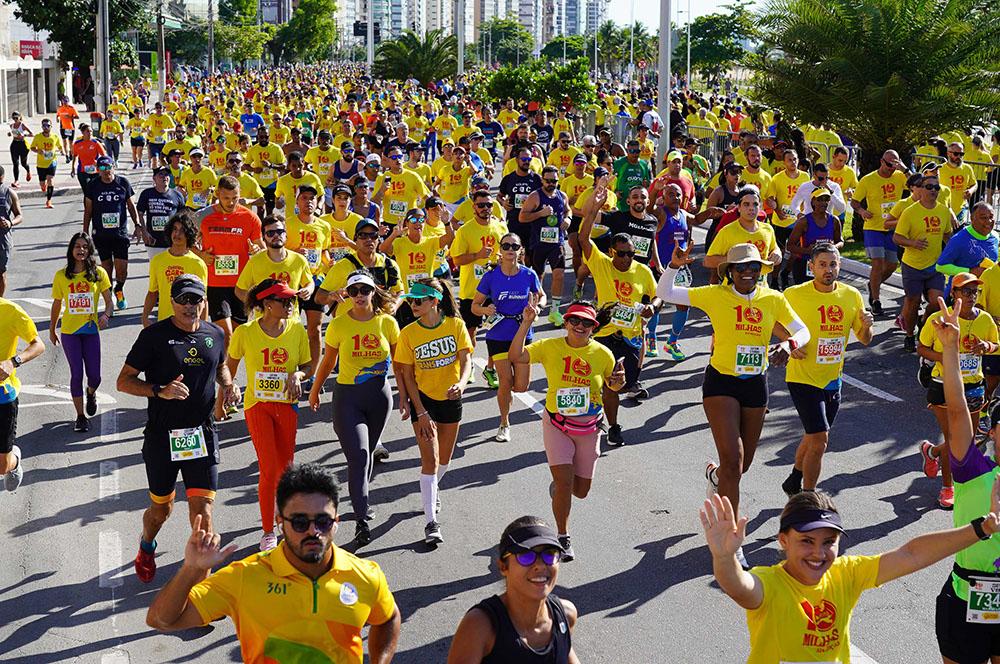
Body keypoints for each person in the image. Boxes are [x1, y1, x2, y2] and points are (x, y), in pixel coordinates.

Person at [700, 482, 1000, 663]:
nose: (818, 553)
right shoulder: (770, 582)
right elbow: (738, 585)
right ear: (783, 541)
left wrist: (982, 528)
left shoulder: (845, 573)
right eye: (806, 541)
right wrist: (724, 557)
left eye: (829, 542)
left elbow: (911, 554)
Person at [146, 463, 401, 663]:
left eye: (322, 522)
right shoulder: (245, 577)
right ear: (280, 522)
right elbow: (161, 620)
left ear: (337, 522)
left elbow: (388, 618)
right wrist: (191, 569)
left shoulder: (365, 575)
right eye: (300, 522)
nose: (313, 532)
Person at [659, 242, 809, 568]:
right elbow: (666, 291)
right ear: (730, 271)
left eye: (754, 268)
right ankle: (731, 538)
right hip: (721, 383)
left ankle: (717, 479)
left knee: (740, 467)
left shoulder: (773, 298)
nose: (748, 273)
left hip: (756, 384)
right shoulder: (715, 295)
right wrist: (673, 264)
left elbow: (803, 330)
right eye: (741, 268)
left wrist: (789, 344)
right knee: (734, 459)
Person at [117, 274, 237, 583]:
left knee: (203, 513)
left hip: (202, 434)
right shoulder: (153, 337)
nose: (189, 306)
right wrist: (160, 390)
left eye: (195, 299)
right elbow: (124, 380)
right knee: (161, 511)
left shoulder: (215, 334)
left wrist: (229, 385)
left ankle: (200, 589)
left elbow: (221, 365)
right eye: (183, 299)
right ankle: (146, 544)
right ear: (171, 302)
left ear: (203, 302)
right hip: (162, 437)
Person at [510, 300, 624, 561]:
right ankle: (562, 536)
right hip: (557, 425)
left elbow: (613, 387)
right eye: (574, 320)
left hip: (589, 429)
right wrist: (526, 323)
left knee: (580, 490)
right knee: (564, 483)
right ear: (566, 323)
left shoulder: (602, 353)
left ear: (594, 327)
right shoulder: (550, 347)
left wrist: (619, 383)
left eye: (586, 322)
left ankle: (560, 491)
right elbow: (516, 355)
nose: (579, 326)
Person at [309, 272, 401, 546]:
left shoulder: (387, 323)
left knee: (368, 453)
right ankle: (362, 518)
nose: (359, 295)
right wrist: (314, 390)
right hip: (348, 398)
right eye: (354, 290)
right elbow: (327, 362)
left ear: (374, 292)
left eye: (365, 289)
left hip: (380, 398)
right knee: (359, 456)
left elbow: (401, 366)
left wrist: (408, 397)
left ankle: (362, 500)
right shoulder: (338, 325)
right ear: (347, 294)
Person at [778, 241, 873, 495]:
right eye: (822, 265)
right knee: (820, 439)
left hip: (833, 380)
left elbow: (865, 339)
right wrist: (788, 342)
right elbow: (772, 321)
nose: (828, 269)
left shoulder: (851, 295)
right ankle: (808, 498)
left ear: (839, 266)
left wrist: (866, 325)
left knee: (813, 437)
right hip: (802, 377)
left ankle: (793, 480)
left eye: (833, 264)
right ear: (811, 267)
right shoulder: (794, 294)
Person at [226, 279, 311, 551]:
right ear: (266, 304)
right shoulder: (246, 332)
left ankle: (282, 518)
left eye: (291, 301)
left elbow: (308, 365)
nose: (289, 305)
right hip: (258, 406)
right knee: (269, 467)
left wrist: (298, 374)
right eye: (283, 301)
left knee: (285, 470)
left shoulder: (297, 330)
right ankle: (267, 530)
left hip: (287, 406)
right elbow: (229, 365)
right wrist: (228, 389)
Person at [578, 184, 661, 444]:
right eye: (621, 253)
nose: (626, 259)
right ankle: (613, 425)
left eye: (631, 254)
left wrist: (652, 307)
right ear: (612, 251)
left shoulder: (642, 271)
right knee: (610, 384)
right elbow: (583, 238)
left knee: (622, 384)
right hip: (604, 333)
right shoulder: (602, 264)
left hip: (631, 336)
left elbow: (658, 296)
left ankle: (610, 409)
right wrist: (593, 208)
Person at [393, 277, 472, 545]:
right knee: (430, 460)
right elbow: (406, 374)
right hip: (423, 401)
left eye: (419, 300)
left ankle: (432, 489)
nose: (413, 305)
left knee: (444, 460)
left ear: (434, 301)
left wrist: (461, 384)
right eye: (411, 300)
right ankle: (430, 522)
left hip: (450, 398)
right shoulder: (408, 333)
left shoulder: (455, 325)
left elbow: (466, 360)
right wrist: (418, 409)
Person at [447, 516, 580, 663]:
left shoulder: (566, 615)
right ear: (503, 567)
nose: (540, 565)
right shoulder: (480, 626)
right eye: (526, 556)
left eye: (549, 554)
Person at [919, 272, 998, 509]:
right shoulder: (938, 318)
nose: (971, 296)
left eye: (974, 291)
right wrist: (946, 356)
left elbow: (996, 345)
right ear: (953, 293)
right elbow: (922, 348)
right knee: (954, 439)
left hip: (973, 386)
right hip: (943, 384)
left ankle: (932, 452)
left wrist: (987, 346)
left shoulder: (984, 320)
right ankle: (947, 487)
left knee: (969, 440)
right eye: (965, 291)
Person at [473, 232, 544, 441]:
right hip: (498, 335)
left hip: (522, 334)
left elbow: (541, 295)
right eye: (506, 246)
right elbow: (474, 306)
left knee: (521, 386)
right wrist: (486, 310)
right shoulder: (490, 277)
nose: (510, 250)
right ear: (500, 251)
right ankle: (504, 422)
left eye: (514, 246)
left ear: (521, 250)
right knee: (505, 381)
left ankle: (507, 400)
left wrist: (538, 306)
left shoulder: (528, 274)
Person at [49, 233, 114, 432]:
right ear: (71, 250)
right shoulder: (61, 276)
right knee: (76, 374)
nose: (81, 250)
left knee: (95, 376)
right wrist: (52, 329)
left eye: (85, 246)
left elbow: (109, 302)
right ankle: (80, 416)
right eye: (77, 246)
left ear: (90, 250)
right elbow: (57, 304)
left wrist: (106, 315)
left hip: (91, 331)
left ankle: (91, 392)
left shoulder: (99, 273)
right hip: (70, 332)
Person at [195, 175, 264, 345]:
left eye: (235, 198)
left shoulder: (250, 217)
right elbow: (185, 241)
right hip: (215, 283)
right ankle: (221, 369)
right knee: (226, 334)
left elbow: (261, 247)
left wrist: (256, 250)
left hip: (242, 283)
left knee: (239, 335)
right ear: (217, 194)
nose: (231, 203)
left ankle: (227, 368)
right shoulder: (203, 216)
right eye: (226, 198)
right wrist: (200, 254)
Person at [893, 172, 956, 352]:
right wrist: (913, 243)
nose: (933, 191)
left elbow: (946, 234)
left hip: (935, 266)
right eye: (929, 187)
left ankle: (924, 320)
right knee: (912, 302)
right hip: (913, 265)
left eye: (936, 188)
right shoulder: (910, 212)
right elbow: (897, 237)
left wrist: (953, 251)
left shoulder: (943, 210)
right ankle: (910, 335)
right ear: (920, 189)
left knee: (937, 302)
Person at [450, 190, 507, 386]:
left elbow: (513, 252)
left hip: (496, 290)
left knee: (497, 330)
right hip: (471, 290)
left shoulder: (500, 228)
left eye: (488, 205)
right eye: (481, 205)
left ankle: (491, 369)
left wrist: (503, 259)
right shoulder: (465, 230)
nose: (485, 209)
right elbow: (456, 260)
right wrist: (478, 255)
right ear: (473, 207)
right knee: (471, 332)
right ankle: (470, 365)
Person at [851, 150, 908, 315]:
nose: (892, 168)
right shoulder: (868, 180)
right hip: (873, 228)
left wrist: (903, 168)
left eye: (895, 165)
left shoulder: (899, 176)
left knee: (891, 265)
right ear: (882, 162)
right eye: (889, 164)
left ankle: (872, 284)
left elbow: (917, 183)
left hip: (892, 228)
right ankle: (876, 300)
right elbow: (854, 202)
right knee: (878, 262)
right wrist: (861, 211)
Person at [380, 206, 456, 329]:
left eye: (421, 220)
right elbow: (383, 249)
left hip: (426, 296)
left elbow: (449, 238)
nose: (418, 223)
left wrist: (447, 222)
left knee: (428, 330)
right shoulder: (400, 242)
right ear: (407, 223)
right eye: (413, 220)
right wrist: (394, 234)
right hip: (406, 298)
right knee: (406, 331)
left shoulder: (430, 242)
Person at [82, 156, 139, 311]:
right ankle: (109, 302)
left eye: (108, 168)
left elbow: (131, 206)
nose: (106, 171)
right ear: (98, 170)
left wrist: (138, 224)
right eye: (102, 168)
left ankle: (119, 290)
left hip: (120, 234)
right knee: (106, 268)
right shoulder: (93, 186)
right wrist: (84, 233)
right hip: (101, 234)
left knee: (122, 269)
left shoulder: (123, 183)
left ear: (114, 167)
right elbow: (88, 211)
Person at [0, 296, 44, 492]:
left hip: (3, 395)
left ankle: (14, 461)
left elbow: (38, 345)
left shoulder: (11, 311)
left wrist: (13, 362)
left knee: (2, 467)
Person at [520, 166, 570, 326]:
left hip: (557, 242)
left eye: (554, 181)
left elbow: (568, 211)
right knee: (538, 277)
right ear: (542, 180)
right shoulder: (535, 196)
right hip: (539, 243)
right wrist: (540, 214)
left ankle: (554, 311)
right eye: (548, 181)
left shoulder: (562, 196)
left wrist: (569, 220)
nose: (551, 184)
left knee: (559, 274)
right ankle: (534, 306)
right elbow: (522, 217)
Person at [143, 211, 208, 325]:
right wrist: (144, 317)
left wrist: (203, 328)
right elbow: (152, 293)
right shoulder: (157, 261)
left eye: (182, 231)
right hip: (165, 323)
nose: (177, 234)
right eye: (174, 229)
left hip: (189, 323)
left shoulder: (198, 264)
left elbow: (203, 300)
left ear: (189, 235)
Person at [785, 188, 844, 285]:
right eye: (820, 199)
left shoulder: (834, 220)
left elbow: (840, 241)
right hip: (805, 264)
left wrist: (834, 247)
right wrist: (808, 250)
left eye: (826, 199)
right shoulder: (804, 221)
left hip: (827, 267)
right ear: (813, 201)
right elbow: (790, 246)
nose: (823, 202)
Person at [498, 146, 543, 255]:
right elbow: (499, 196)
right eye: (523, 159)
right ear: (517, 160)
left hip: (533, 222)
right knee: (515, 253)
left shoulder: (537, 179)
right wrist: (503, 202)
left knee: (531, 256)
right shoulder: (508, 179)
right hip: (514, 221)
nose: (526, 162)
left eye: (529, 159)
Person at [136, 167, 186, 260]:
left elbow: (183, 217)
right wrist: (144, 232)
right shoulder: (146, 194)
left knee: (172, 269)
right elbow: (140, 213)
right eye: (161, 174)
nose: (164, 177)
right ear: (154, 178)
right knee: (156, 269)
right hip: (153, 240)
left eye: (167, 175)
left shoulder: (177, 195)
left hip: (172, 240)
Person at [29, 118, 62, 209]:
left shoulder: (55, 137)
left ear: (51, 126)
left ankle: (49, 200)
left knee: (50, 180)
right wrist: (38, 151)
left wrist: (61, 151)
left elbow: (59, 147)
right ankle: (44, 186)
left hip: (52, 162)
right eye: (44, 125)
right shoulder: (38, 137)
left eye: (48, 125)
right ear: (41, 126)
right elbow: (32, 148)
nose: (46, 127)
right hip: (41, 164)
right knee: (42, 184)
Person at [0, 165, 22, 297]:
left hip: (2, 240)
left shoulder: (9, 192)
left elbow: (19, 215)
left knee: (1, 272)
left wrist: (10, 222)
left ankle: (1, 302)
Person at [71, 123, 107, 192]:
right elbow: (74, 156)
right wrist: (73, 168)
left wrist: (100, 163)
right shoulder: (77, 144)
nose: (90, 133)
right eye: (88, 131)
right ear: (82, 132)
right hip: (82, 171)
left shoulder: (96, 143)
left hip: (95, 171)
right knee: (87, 191)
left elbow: (104, 156)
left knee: (96, 191)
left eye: (91, 131)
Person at [8, 112, 32, 188]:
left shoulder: (22, 125)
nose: (15, 120)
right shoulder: (11, 126)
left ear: (19, 117)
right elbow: (12, 133)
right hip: (14, 145)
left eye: (16, 118)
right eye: (13, 118)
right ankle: (16, 181)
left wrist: (24, 135)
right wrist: (9, 134)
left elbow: (32, 134)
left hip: (22, 145)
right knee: (15, 163)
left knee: (23, 163)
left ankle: (28, 171)